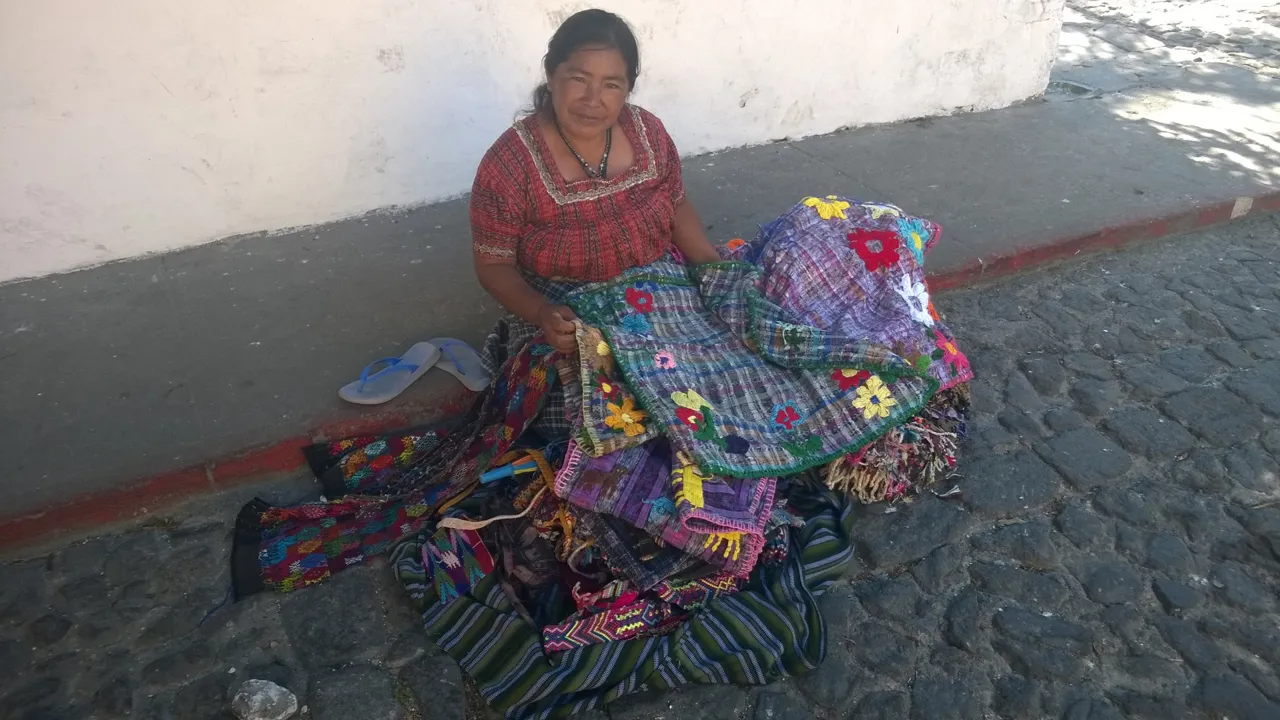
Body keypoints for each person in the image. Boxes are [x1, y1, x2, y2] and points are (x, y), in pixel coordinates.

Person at [470, 9, 722, 360]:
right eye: (578, 78)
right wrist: (542, 313)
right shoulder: (509, 164)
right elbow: (493, 265)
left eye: (611, 85)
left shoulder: (648, 133)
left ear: (628, 88)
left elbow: (676, 204)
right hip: (567, 312)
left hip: (662, 292)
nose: (592, 99)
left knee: (729, 367)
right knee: (601, 407)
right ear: (551, 74)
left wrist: (716, 271)